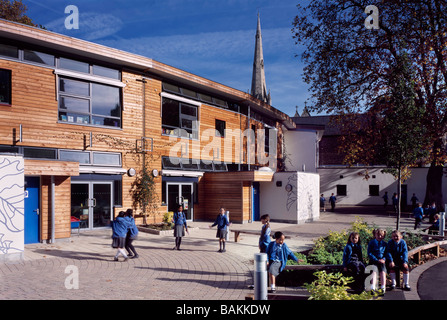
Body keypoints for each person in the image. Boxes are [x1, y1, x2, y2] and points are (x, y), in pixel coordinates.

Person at [367, 228, 387, 294]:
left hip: (382, 261)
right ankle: (373, 287)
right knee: (374, 272)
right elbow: (369, 253)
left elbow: (387, 253)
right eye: (378, 235)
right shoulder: (372, 242)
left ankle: (383, 288)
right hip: (374, 260)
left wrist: (384, 259)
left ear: (384, 236)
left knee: (383, 272)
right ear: (375, 235)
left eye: (381, 235)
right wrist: (376, 259)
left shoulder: (384, 244)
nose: (380, 237)